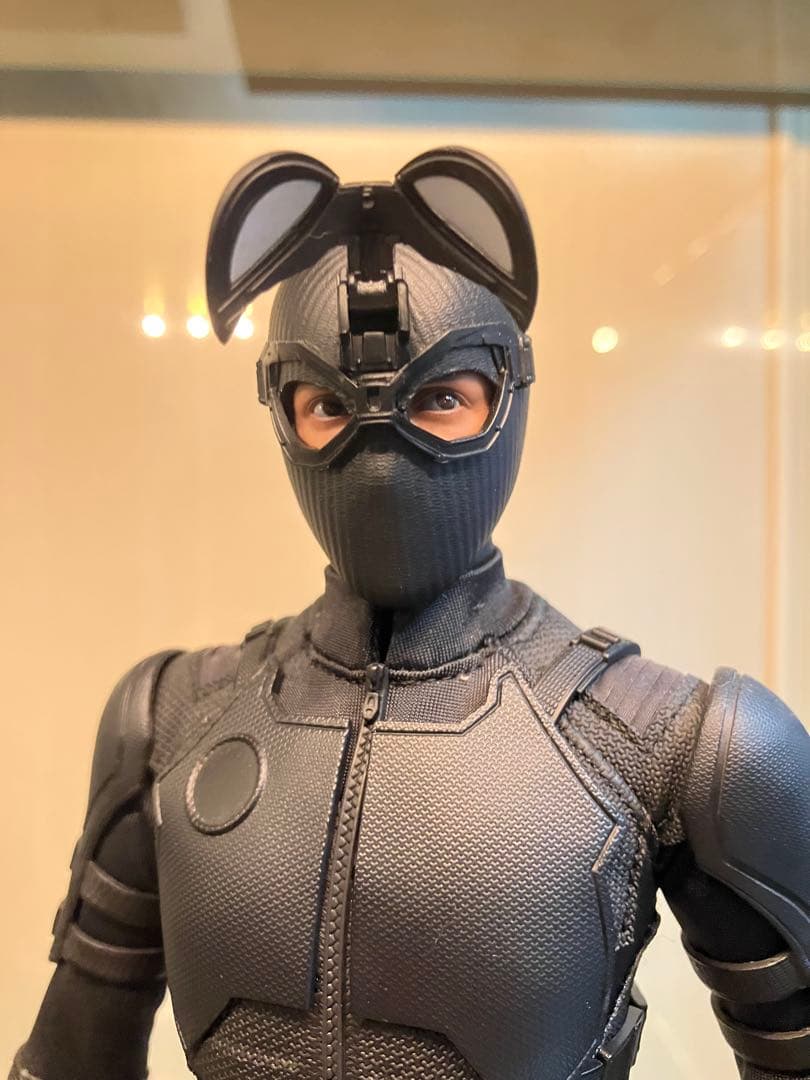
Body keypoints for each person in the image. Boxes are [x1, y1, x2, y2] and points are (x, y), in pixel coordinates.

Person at [10, 149, 810, 1080]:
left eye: (439, 399)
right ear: (282, 412)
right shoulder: (170, 719)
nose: (380, 446)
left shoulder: (669, 744)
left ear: (506, 396)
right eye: (327, 403)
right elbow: (69, 1058)